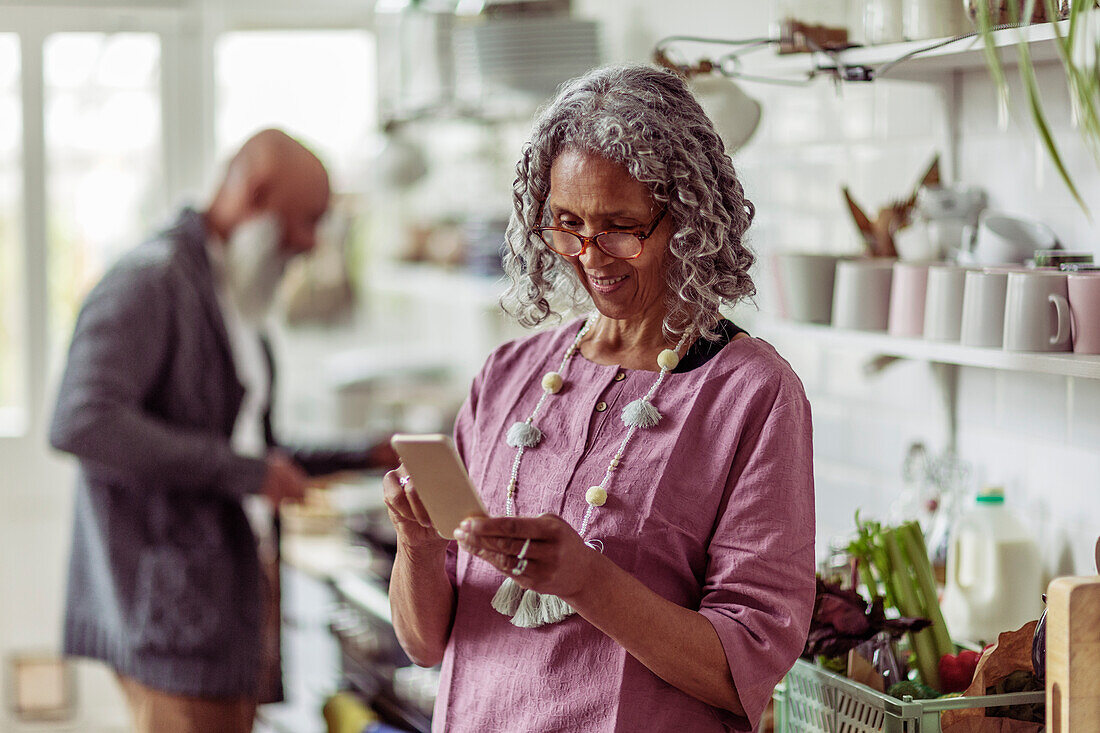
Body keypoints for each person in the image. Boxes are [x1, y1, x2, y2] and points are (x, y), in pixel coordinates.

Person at [382, 66, 816, 732]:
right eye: (567, 224)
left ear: (688, 220)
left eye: (620, 226)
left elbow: (745, 670)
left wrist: (588, 580)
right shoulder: (508, 372)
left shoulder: (752, 395)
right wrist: (415, 542)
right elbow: (424, 641)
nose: (590, 256)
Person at [49, 128, 396, 733]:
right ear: (255, 193)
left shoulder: (233, 293)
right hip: (167, 617)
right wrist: (249, 473)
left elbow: (247, 447)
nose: (311, 242)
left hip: (221, 606)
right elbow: (83, 422)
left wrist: (365, 453)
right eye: (304, 219)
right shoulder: (149, 281)